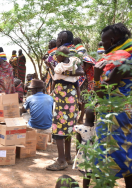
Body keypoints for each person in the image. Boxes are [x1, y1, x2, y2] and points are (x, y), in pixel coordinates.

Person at [93, 23, 132, 187]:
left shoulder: (121, 63)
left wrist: (96, 76)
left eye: (104, 42)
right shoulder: (128, 59)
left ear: (113, 39)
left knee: (109, 154)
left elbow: (103, 92)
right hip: (126, 111)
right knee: (127, 151)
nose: (103, 46)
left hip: (114, 115)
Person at [46, 30, 84, 171]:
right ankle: (67, 157)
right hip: (72, 94)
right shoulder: (75, 56)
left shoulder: (61, 58)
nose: (56, 40)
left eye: (58, 38)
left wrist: (61, 72)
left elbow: (80, 72)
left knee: (58, 128)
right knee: (68, 126)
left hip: (63, 95)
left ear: (62, 40)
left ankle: (61, 160)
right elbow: (80, 72)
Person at [73, 37, 97, 124]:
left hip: (84, 79)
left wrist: (83, 71)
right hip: (85, 78)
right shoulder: (81, 49)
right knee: (83, 99)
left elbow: (89, 62)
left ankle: (81, 118)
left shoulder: (80, 49)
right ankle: (81, 118)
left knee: (83, 100)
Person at [73, 108, 95, 188]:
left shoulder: (80, 128)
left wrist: (77, 155)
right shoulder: (97, 128)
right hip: (95, 153)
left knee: (86, 174)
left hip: (84, 154)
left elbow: (78, 144)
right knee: (96, 173)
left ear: (85, 114)